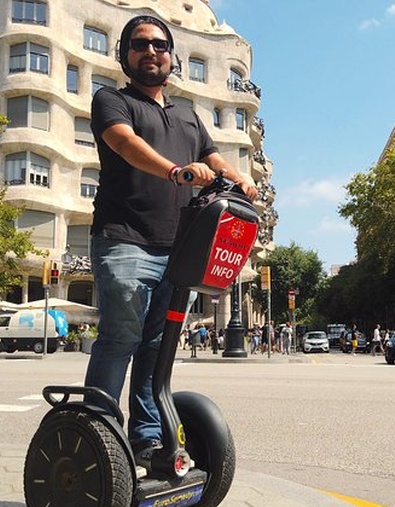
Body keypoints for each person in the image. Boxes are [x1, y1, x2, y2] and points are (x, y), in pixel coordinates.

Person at [83, 14, 257, 470]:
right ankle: (97, 435)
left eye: (160, 45)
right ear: (125, 55)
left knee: (157, 346)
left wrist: (237, 178)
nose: (151, 51)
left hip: (176, 247)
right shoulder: (112, 100)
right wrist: (174, 171)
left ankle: (144, 438)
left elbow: (210, 155)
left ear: (172, 57)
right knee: (122, 336)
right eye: (140, 44)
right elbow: (123, 143)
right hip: (124, 239)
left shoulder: (186, 114)